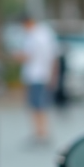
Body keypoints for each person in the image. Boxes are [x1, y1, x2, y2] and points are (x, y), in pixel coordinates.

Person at [17, 14, 58, 143]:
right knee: (40, 105)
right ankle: (40, 132)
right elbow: (53, 56)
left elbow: (28, 55)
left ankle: (41, 133)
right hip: (42, 75)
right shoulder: (45, 34)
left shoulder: (34, 36)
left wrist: (15, 56)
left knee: (37, 106)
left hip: (36, 75)